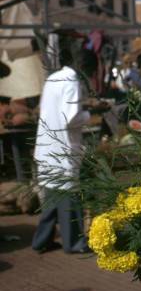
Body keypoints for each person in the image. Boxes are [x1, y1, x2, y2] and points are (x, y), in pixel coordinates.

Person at [31, 49, 93, 254]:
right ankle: (73, 242)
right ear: (84, 68)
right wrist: (89, 114)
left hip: (47, 147)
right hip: (62, 149)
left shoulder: (53, 79)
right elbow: (71, 118)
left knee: (51, 198)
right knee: (68, 198)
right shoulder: (71, 81)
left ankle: (42, 240)